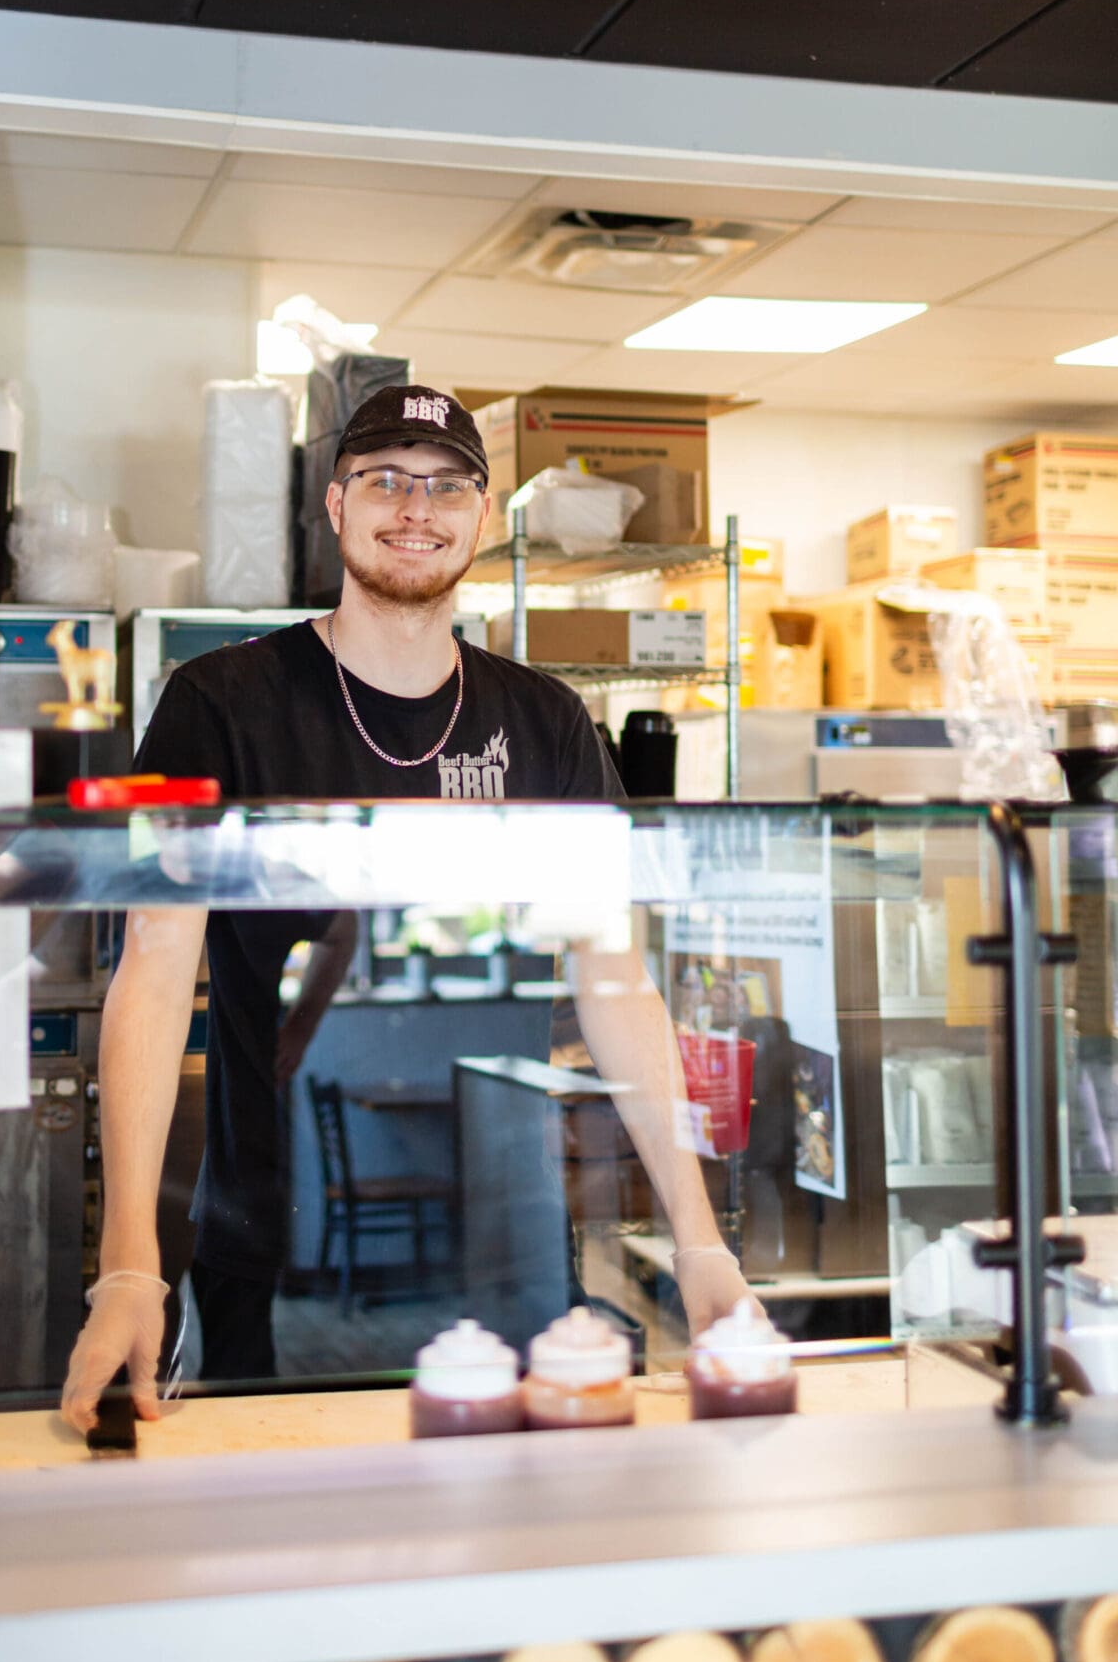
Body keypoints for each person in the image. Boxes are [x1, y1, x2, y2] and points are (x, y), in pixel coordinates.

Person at [62, 385, 754, 1430]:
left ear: (483, 516)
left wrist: (699, 1240)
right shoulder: (213, 703)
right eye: (383, 480)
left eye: (446, 485)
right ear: (335, 507)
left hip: (513, 1254)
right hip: (268, 1249)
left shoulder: (550, 722)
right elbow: (152, 977)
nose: (414, 507)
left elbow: (615, 980)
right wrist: (129, 1263)